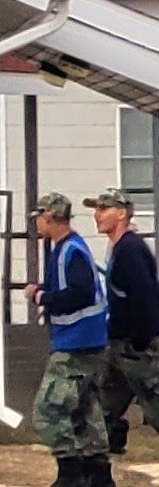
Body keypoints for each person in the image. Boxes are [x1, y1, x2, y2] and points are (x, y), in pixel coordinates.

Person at [29, 193, 113, 487]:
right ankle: (99, 474)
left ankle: (71, 474)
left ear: (50, 217)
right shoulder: (67, 248)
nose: (37, 223)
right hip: (87, 341)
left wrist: (42, 297)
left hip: (76, 343)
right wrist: (45, 289)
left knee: (48, 411)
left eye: (39, 217)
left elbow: (79, 293)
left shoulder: (70, 251)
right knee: (84, 409)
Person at [89, 188, 159, 458]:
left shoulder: (130, 249)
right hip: (118, 346)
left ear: (122, 214)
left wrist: (140, 342)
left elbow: (146, 298)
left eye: (103, 209)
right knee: (103, 404)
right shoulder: (118, 248)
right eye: (96, 209)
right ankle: (98, 462)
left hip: (137, 349)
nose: (97, 215)